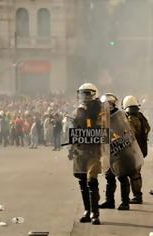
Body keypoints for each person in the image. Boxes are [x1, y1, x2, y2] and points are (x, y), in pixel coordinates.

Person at [69, 83, 105, 225]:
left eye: (87, 93)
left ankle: (95, 213)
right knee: (82, 181)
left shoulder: (100, 111)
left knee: (92, 181)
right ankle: (87, 210)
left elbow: (103, 129)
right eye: (82, 94)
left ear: (94, 94)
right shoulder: (77, 111)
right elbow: (74, 130)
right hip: (80, 150)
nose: (84, 97)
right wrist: (72, 148)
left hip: (93, 150)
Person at [122, 95, 150, 204]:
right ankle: (137, 195)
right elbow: (148, 129)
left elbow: (129, 134)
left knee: (134, 174)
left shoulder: (130, 119)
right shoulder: (141, 117)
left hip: (132, 150)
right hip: (140, 149)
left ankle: (137, 196)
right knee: (136, 173)